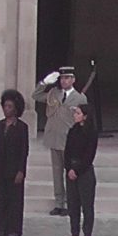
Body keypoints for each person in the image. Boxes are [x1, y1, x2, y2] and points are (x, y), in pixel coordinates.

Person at [32, 66, 86, 216]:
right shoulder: (53, 93)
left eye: (67, 78)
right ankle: (59, 203)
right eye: (62, 78)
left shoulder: (80, 97)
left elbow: (84, 120)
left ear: (73, 80)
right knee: (56, 172)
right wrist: (44, 83)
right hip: (54, 137)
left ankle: (71, 202)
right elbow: (35, 96)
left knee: (70, 172)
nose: (64, 81)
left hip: (70, 140)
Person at [0, 89, 29, 236]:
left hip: (14, 169)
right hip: (0, 168)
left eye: (10, 106)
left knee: (15, 200)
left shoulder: (22, 127)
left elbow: (24, 151)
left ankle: (14, 229)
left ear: (16, 108)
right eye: (5, 106)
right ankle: (1, 228)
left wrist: (21, 171)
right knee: (1, 199)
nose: (7, 109)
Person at [63, 104, 98, 236]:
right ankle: (74, 233)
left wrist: (77, 170)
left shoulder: (91, 133)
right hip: (71, 169)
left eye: (78, 113)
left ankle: (87, 235)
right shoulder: (72, 131)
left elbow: (89, 155)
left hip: (84, 171)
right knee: (73, 204)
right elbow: (67, 152)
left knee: (87, 204)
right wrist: (69, 168)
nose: (75, 115)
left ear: (85, 116)